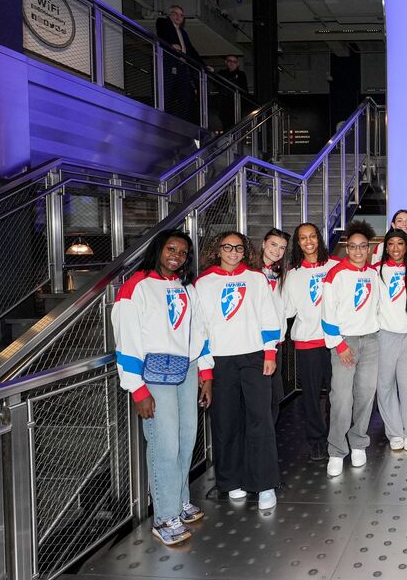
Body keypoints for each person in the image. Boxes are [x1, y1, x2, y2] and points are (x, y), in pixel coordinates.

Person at [113, 230, 210, 546]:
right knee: (163, 446)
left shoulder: (185, 287)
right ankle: (164, 516)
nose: (177, 256)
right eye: (172, 249)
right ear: (158, 249)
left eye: (183, 252)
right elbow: (126, 341)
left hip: (187, 368)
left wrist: (205, 374)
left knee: (185, 441)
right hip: (153, 375)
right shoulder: (135, 287)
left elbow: (199, 331)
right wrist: (137, 388)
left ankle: (179, 501)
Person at [195, 231, 281, 511]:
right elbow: (200, 329)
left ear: (246, 251)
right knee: (225, 421)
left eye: (239, 248)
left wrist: (270, 352)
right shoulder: (203, 283)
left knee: (260, 419)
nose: (233, 252)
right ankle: (231, 481)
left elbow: (269, 316)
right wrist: (206, 369)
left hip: (254, 357)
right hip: (220, 360)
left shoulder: (256, 279)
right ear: (217, 249)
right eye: (227, 247)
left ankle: (264, 482)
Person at [322, 221, 381, 477]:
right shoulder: (335, 274)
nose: (358, 251)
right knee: (342, 400)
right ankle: (336, 450)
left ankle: (358, 442)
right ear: (347, 248)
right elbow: (327, 315)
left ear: (369, 248)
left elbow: (378, 307)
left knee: (366, 396)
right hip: (344, 344)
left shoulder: (373, 274)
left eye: (363, 247)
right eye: (353, 246)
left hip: (371, 341)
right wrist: (340, 345)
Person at [282, 223, 340, 462]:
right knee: (311, 397)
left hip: (336, 341)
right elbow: (286, 310)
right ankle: (317, 440)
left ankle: (337, 437)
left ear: (319, 239)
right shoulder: (293, 274)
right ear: (298, 243)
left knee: (339, 395)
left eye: (312, 237)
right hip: (308, 342)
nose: (308, 242)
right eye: (303, 238)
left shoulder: (336, 266)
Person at [375, 228, 407, 451]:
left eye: (400, 244)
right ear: (385, 247)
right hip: (384, 335)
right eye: (391, 244)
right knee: (384, 385)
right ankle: (394, 432)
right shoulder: (377, 270)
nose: (395, 248)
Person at [259, 229, 290, 422]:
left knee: (274, 399)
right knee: (260, 399)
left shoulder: (281, 274)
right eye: (273, 245)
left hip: (276, 345)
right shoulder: (250, 273)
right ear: (263, 243)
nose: (277, 251)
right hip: (257, 345)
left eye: (282, 248)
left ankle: (268, 444)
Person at [155, 5, 205, 122]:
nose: (179, 17)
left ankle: (181, 120)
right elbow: (162, 34)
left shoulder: (183, 33)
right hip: (170, 64)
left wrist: (204, 65)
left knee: (186, 95)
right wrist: (171, 45)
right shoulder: (163, 23)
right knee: (168, 93)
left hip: (182, 67)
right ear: (170, 15)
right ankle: (164, 119)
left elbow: (192, 51)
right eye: (175, 14)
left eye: (181, 15)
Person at [215, 54, 249, 131]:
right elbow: (217, 84)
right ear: (226, 62)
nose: (232, 63)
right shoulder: (222, 73)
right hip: (224, 104)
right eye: (229, 61)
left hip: (236, 104)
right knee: (226, 126)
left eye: (234, 61)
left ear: (237, 64)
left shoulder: (241, 74)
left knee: (236, 125)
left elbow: (243, 89)